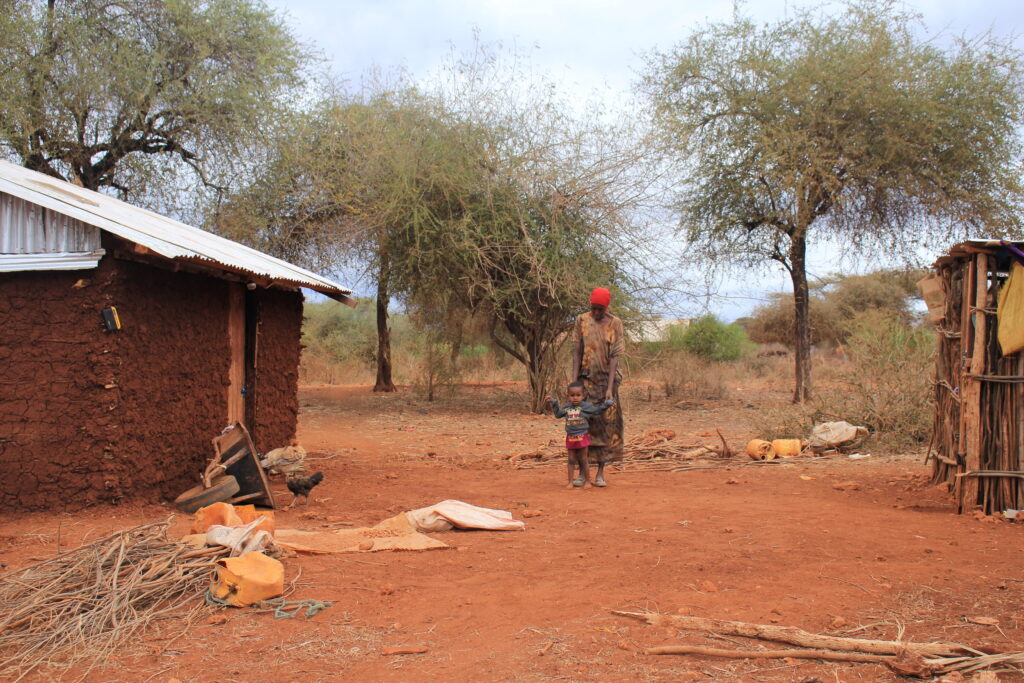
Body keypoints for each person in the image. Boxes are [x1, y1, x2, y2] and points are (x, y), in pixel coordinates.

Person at [571, 286, 625, 487]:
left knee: (605, 426)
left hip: (605, 384)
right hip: (584, 383)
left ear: (606, 308)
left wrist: (610, 388)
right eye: (593, 308)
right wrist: (574, 382)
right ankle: (582, 473)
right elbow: (576, 351)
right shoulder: (581, 320)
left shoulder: (615, 323)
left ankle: (601, 472)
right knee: (580, 428)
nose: (596, 313)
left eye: (600, 309)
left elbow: (614, 358)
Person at [547, 381, 613, 488]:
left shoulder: (585, 406)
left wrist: (606, 405)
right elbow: (558, 414)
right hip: (571, 437)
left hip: (582, 436)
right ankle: (570, 482)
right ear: (568, 396)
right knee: (571, 460)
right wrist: (554, 403)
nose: (575, 398)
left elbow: (597, 411)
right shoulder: (567, 407)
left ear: (583, 396)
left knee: (583, 459)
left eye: (578, 395)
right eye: (572, 395)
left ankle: (587, 481)